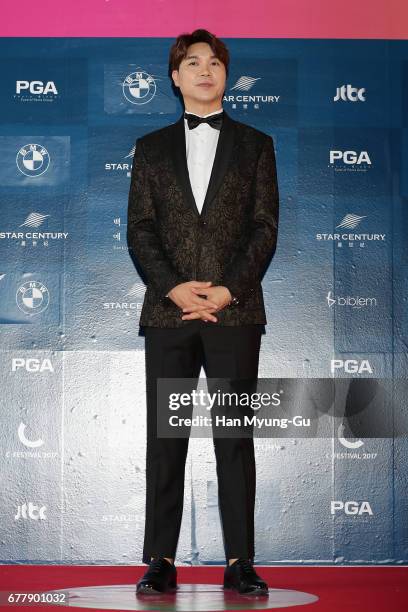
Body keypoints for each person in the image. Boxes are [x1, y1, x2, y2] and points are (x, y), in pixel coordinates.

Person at [127, 28, 279, 596]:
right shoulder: (150, 148)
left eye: (214, 62)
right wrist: (173, 289)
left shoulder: (257, 144)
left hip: (235, 313)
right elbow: (139, 231)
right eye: (193, 63)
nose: (204, 71)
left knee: (234, 438)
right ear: (175, 77)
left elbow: (265, 229)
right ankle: (160, 559)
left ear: (226, 74)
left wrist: (226, 291)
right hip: (168, 315)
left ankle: (240, 560)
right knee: (166, 437)